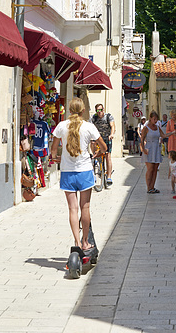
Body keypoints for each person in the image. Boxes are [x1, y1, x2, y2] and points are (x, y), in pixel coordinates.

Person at [51, 97, 107, 254]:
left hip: (67, 172)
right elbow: (103, 146)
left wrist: (55, 158)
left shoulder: (61, 126)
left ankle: (76, 241)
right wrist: (98, 152)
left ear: (69, 110)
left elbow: (53, 149)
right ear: (83, 111)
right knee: (85, 207)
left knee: (72, 209)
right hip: (84, 172)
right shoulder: (89, 127)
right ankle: (85, 242)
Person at [140, 110, 172, 193]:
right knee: (150, 169)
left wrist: (172, 133)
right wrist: (143, 149)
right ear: (150, 118)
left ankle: (152, 187)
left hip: (156, 149)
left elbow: (163, 135)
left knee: (155, 169)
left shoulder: (157, 127)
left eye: (156, 119)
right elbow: (142, 138)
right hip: (149, 149)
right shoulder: (146, 128)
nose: (155, 121)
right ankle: (148, 187)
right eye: (154, 119)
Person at [91, 104, 115, 186]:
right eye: (97, 110)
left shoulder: (108, 117)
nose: (99, 112)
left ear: (103, 109)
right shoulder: (93, 118)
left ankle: (109, 177)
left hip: (106, 138)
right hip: (97, 139)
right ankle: (95, 167)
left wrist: (111, 134)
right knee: (93, 148)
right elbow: (90, 127)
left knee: (108, 156)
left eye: (101, 110)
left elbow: (112, 126)